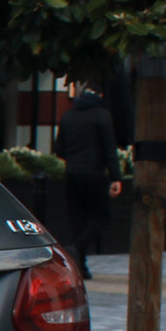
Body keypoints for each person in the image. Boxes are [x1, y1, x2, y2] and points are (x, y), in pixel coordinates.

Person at [54, 87, 124, 267]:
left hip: (72, 172)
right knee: (101, 215)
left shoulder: (68, 115)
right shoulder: (102, 115)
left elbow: (59, 148)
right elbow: (109, 148)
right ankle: (78, 247)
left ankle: (80, 265)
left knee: (77, 218)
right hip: (94, 172)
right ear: (100, 95)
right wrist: (116, 177)